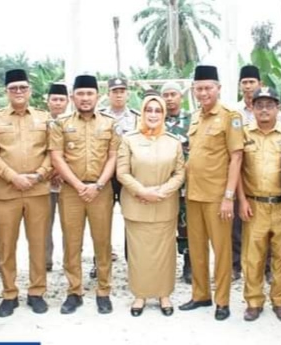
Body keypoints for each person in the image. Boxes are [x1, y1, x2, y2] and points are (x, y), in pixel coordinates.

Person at [0, 69, 52, 317]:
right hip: (7, 192)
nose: (19, 92)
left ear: (30, 90)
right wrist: (14, 177)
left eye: (23, 87)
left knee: (38, 243)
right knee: (6, 245)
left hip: (38, 190)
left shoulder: (44, 118)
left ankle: (37, 292)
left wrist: (39, 175)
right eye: (14, 88)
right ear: (7, 92)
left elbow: (51, 151)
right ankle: (9, 293)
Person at [49, 75, 120, 315]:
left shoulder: (109, 123)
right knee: (72, 243)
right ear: (73, 97)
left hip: (101, 191)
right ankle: (74, 291)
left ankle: (103, 290)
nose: (86, 98)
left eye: (90, 93)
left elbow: (113, 156)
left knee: (102, 242)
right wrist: (79, 185)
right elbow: (56, 157)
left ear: (97, 96)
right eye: (81, 93)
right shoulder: (61, 123)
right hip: (71, 191)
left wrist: (98, 185)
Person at [178, 65, 244, 321]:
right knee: (196, 249)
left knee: (222, 250)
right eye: (199, 89)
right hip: (193, 194)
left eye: (208, 88)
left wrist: (229, 197)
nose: (203, 93)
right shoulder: (195, 117)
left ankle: (222, 301)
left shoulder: (230, 116)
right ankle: (200, 294)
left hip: (218, 197)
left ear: (218, 88)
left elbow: (236, 157)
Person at [117, 93, 185, 317]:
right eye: (149, 110)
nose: (153, 114)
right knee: (139, 254)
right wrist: (142, 191)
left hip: (164, 206)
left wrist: (161, 192)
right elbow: (122, 172)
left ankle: (164, 294)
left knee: (165, 253)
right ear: (143, 112)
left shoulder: (173, 142)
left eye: (158, 110)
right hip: (137, 205)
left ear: (164, 114)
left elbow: (179, 173)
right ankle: (140, 295)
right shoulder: (129, 139)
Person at [237, 87, 281, 323]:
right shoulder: (243, 134)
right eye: (259, 105)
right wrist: (240, 200)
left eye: (269, 105)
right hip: (254, 204)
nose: (264, 109)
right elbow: (236, 169)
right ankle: (253, 301)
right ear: (252, 107)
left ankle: (280, 302)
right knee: (253, 257)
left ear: (278, 107)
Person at [91, 77, 139, 278]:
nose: (119, 94)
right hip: (106, 175)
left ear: (127, 93)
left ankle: (134, 262)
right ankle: (100, 261)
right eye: (115, 91)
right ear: (108, 94)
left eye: (122, 90)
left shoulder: (137, 117)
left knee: (132, 220)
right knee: (100, 221)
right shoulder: (98, 117)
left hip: (128, 176)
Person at [161, 81, 192, 284]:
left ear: (181, 97)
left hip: (187, 183)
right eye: (166, 95)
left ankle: (189, 265)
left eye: (173, 94)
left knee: (187, 224)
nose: (170, 98)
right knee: (163, 225)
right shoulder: (154, 119)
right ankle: (164, 266)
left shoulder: (192, 120)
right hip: (162, 183)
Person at [45, 82, 70, 272]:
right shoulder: (40, 123)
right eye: (54, 99)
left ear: (68, 101)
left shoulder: (72, 122)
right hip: (44, 182)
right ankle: (45, 260)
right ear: (48, 101)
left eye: (62, 99)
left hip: (68, 182)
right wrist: (50, 171)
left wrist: (61, 172)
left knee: (70, 226)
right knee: (44, 225)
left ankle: (69, 261)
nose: (58, 103)